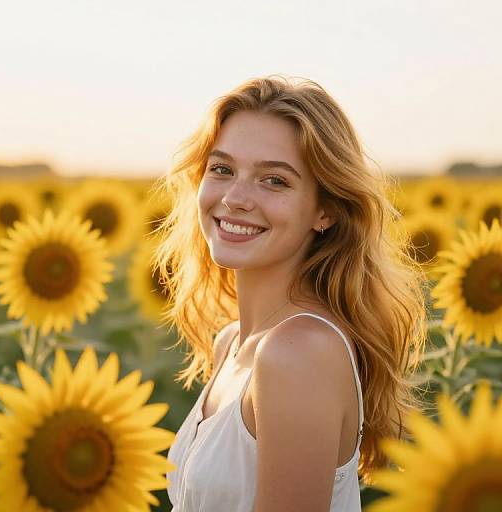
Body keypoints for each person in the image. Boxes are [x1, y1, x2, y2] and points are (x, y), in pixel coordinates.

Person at [154, 75, 428, 512]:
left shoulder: (298, 354)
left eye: (274, 181)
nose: (235, 198)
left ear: (325, 211)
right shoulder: (231, 344)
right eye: (222, 169)